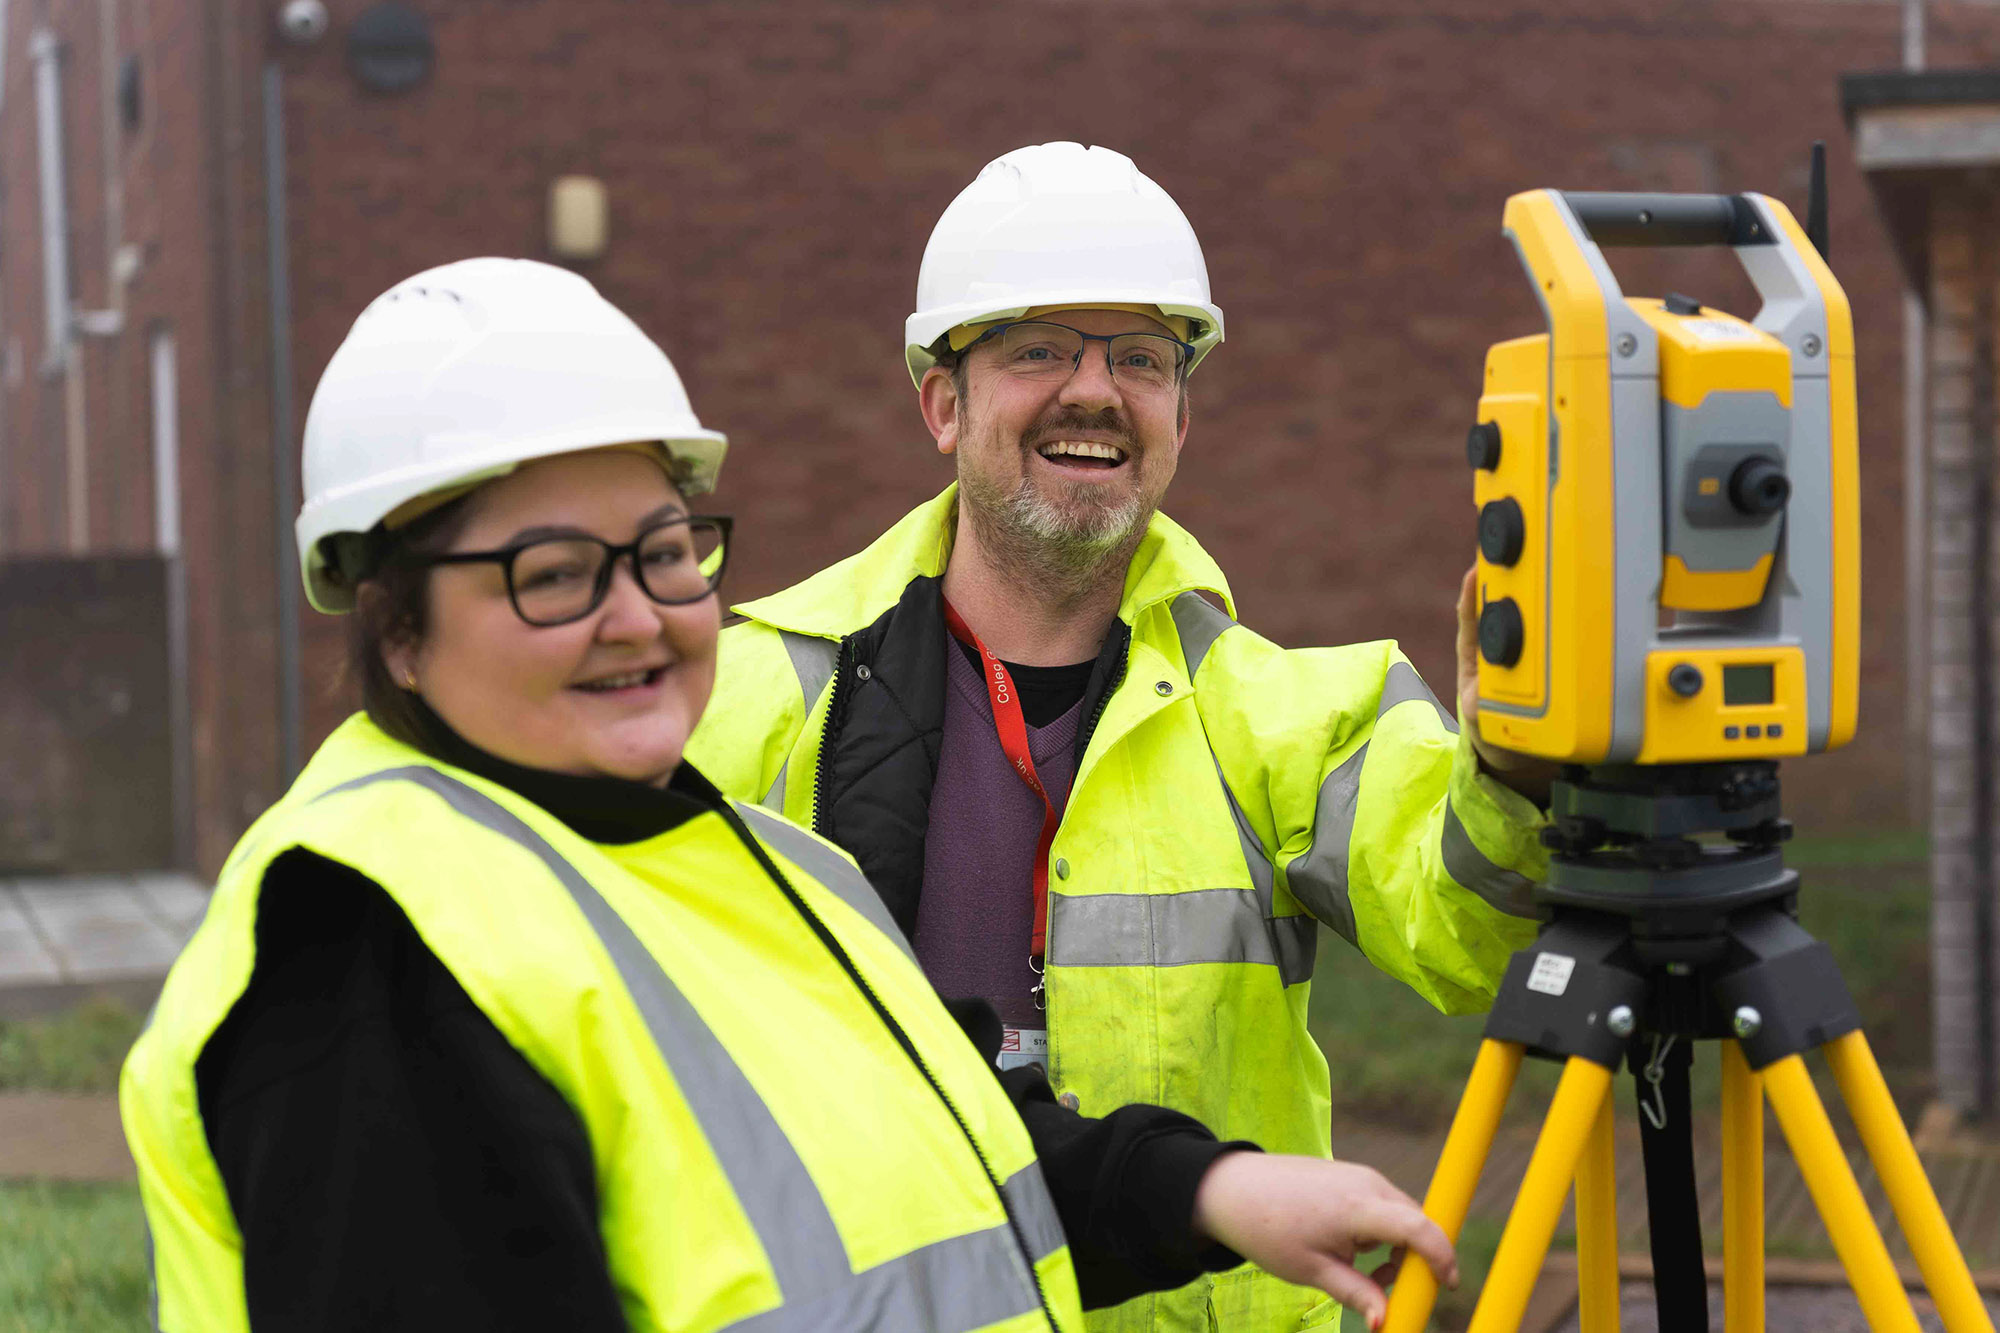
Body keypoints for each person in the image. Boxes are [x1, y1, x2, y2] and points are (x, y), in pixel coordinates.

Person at [119, 258, 1459, 1333]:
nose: (637, 617)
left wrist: (1210, 1188)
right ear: (395, 623)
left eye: (662, 551)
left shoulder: (737, 853)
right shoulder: (363, 946)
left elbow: (941, 1137)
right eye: (553, 573)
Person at [684, 142, 1556, 1332]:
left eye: (1140, 359)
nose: (1093, 391)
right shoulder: (744, 700)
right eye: (1037, 350)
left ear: (1179, 419)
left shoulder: (1294, 719)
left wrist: (1520, 759)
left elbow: (1473, 942)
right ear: (943, 405)